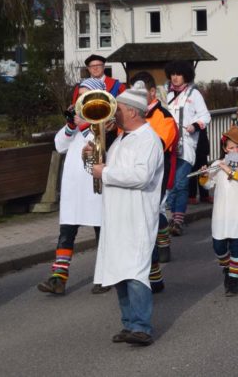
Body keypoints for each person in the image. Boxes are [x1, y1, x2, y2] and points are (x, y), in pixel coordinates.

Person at [88, 86, 164, 346]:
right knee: (119, 271)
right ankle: (129, 323)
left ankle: (142, 327)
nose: (113, 114)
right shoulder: (121, 139)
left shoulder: (149, 139)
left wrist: (105, 172)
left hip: (136, 216)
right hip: (117, 215)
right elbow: (106, 172)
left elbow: (141, 177)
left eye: (118, 109)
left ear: (132, 111)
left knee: (135, 272)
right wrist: (92, 159)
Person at [37, 78, 111, 296]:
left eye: (86, 95)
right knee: (66, 233)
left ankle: (105, 275)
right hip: (73, 188)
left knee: (102, 232)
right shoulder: (79, 121)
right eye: (80, 95)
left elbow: (99, 144)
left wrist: (84, 125)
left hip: (95, 187)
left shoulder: (107, 120)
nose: (81, 99)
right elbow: (59, 145)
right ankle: (58, 278)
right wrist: (71, 125)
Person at [129, 76, 179, 293]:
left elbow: (156, 147)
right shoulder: (128, 115)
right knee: (143, 220)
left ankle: (155, 268)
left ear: (152, 93)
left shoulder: (165, 117)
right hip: (133, 174)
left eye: (139, 93)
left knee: (151, 217)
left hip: (156, 176)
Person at [199, 126, 238, 296]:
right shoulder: (217, 164)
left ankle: (232, 282)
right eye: (231, 147)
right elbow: (208, 185)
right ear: (225, 149)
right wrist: (204, 175)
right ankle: (228, 267)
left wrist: (230, 171)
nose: (235, 150)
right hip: (221, 214)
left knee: (237, 249)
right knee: (218, 247)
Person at [164, 60, 211, 236]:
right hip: (167, 145)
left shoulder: (194, 94)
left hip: (186, 145)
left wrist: (195, 126)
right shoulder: (165, 94)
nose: (175, 77)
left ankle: (177, 221)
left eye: (179, 74)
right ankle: (168, 216)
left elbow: (205, 116)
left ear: (186, 76)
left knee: (181, 183)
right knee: (169, 183)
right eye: (173, 74)